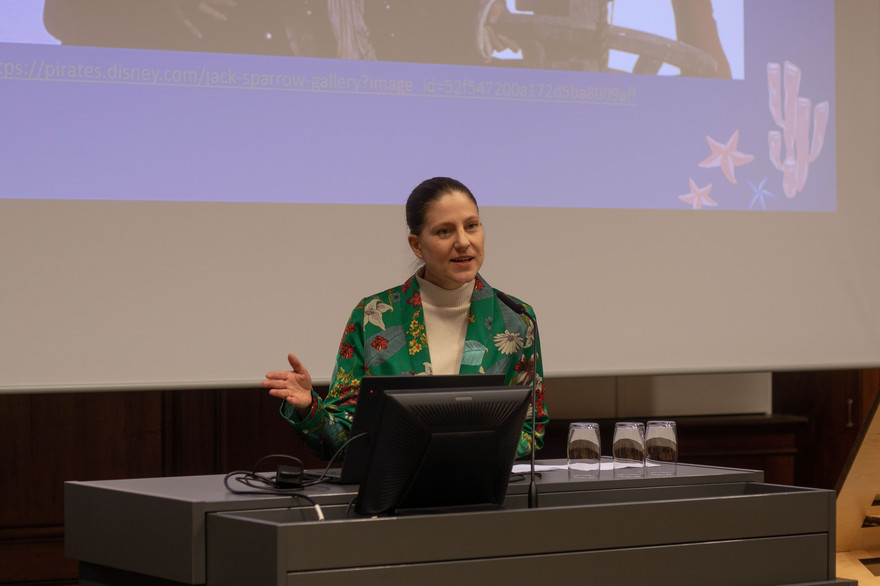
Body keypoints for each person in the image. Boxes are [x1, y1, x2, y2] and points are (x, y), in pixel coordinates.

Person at [262, 177, 548, 461]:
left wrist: (461, 448)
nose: (463, 242)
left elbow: (530, 431)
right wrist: (309, 407)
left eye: (471, 226)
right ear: (417, 245)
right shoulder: (374, 317)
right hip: (392, 497)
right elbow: (343, 441)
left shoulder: (516, 319)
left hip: (483, 493)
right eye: (444, 232)